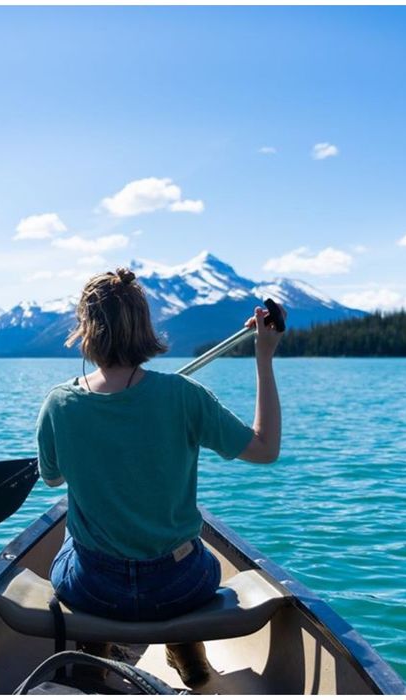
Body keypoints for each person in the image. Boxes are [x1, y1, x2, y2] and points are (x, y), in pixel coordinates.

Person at [35, 267, 284, 687]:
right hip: (181, 586)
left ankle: (95, 647)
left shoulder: (59, 404)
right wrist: (264, 357)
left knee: (68, 529)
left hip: (94, 589)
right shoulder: (183, 396)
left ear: (86, 332)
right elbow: (265, 449)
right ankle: (186, 646)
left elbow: (53, 479)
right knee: (193, 549)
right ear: (143, 328)